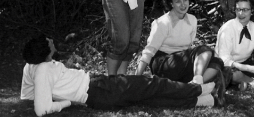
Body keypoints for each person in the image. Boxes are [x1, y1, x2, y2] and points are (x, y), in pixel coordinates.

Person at [20, 35, 226, 117]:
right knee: (150, 83)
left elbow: (28, 95)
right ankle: (198, 88)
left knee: (150, 98)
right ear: (46, 51)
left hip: (97, 92)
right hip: (97, 89)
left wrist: (51, 93)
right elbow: (42, 109)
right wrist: (64, 102)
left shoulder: (32, 67)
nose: (51, 41)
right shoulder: (43, 70)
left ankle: (204, 100)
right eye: (49, 42)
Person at [135, 0, 224, 85]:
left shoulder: (192, 20)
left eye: (185, 0)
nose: (183, 5)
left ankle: (189, 86)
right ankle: (197, 82)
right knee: (204, 50)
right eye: (178, 1)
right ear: (171, 3)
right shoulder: (163, 23)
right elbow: (149, 51)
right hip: (163, 64)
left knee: (217, 62)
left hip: (182, 62)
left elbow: (188, 49)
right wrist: (136, 78)